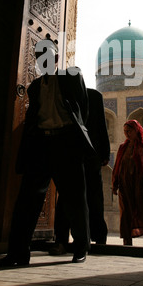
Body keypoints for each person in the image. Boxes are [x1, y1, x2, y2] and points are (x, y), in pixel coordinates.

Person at [0, 38, 95, 266]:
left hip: (66, 144)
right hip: (41, 146)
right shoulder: (35, 87)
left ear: (56, 58)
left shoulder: (72, 76)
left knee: (74, 198)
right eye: (39, 58)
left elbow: (83, 111)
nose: (42, 61)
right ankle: (18, 253)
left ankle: (80, 248)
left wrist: (74, 141)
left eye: (46, 57)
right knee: (27, 200)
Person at [51, 87, 111, 254]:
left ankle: (98, 240)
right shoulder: (63, 94)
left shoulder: (93, 96)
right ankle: (61, 240)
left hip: (91, 154)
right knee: (66, 198)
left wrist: (105, 152)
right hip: (70, 153)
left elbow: (101, 124)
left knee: (93, 197)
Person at [112, 120, 143, 246]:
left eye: (129, 131)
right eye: (125, 131)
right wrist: (115, 184)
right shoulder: (123, 147)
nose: (127, 133)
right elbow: (117, 166)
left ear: (136, 130)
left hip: (141, 185)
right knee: (126, 212)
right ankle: (127, 240)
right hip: (125, 184)